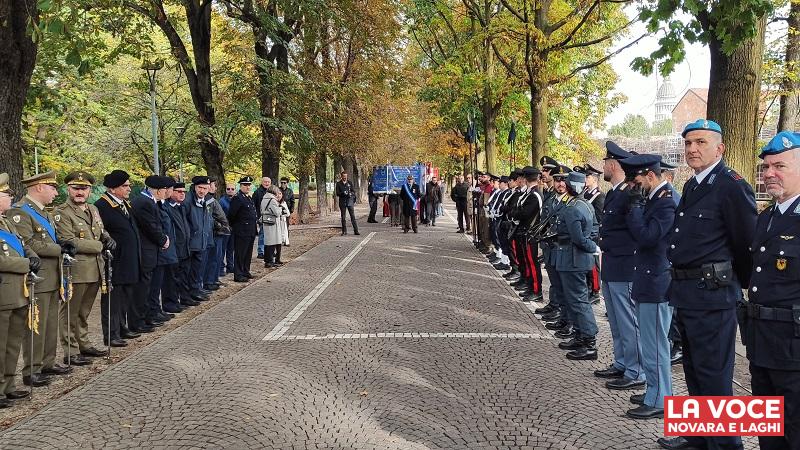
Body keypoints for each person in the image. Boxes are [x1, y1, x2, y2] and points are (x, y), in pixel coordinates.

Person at [657, 119, 756, 450]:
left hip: (713, 296)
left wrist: (734, 285)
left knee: (714, 377)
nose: (692, 149)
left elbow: (746, 244)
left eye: (700, 142)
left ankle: (726, 446)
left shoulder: (731, 186)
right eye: (688, 143)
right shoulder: (693, 185)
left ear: (720, 148)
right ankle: (699, 437)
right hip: (686, 294)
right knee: (694, 372)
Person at [742, 131, 800, 450]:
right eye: (766, 167)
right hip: (761, 342)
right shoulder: (766, 217)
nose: (769, 173)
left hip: (794, 348)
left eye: (779, 166)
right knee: (768, 430)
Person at [619, 155, 676, 420]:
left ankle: (661, 399)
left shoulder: (665, 202)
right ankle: (654, 391)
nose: (634, 185)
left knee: (655, 346)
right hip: (648, 279)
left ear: (650, 176)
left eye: (637, 180)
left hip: (656, 282)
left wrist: (634, 209)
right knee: (649, 342)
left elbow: (647, 237)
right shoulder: (655, 198)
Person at [9, 171, 72, 386]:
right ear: (39, 187)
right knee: (36, 325)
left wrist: (62, 243)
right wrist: (59, 248)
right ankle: (32, 369)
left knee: (50, 323)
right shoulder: (20, 212)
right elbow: (28, 243)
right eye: (52, 188)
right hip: (38, 276)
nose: (56, 192)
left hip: (53, 276)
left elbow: (49, 239)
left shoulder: (44, 212)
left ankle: (48, 362)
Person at [593, 141, 645, 392]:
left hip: (625, 265)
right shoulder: (615, 193)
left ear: (613, 165)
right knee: (615, 320)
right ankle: (622, 362)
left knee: (628, 322)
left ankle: (636, 370)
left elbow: (635, 230)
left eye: (605, 162)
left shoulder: (628, 193)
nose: (603, 167)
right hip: (612, 264)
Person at [54, 171, 114, 366]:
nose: (80, 192)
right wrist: (100, 245)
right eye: (76, 188)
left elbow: (99, 229)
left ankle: (84, 344)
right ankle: (70, 351)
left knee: (84, 311)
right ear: (68, 189)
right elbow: (68, 240)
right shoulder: (61, 212)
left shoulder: (93, 209)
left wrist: (107, 237)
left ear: (89, 190)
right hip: (76, 270)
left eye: (84, 188)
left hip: (95, 268)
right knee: (70, 312)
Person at [551, 171, 599, 360]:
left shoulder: (572, 208)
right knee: (575, 300)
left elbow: (578, 238)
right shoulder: (584, 204)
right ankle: (580, 336)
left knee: (578, 301)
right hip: (575, 259)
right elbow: (594, 228)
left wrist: (593, 247)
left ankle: (589, 342)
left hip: (572, 259)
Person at [95, 170, 145, 345]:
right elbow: (100, 231)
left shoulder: (124, 204)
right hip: (115, 260)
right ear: (113, 188)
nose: (129, 189)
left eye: (129, 185)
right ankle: (111, 334)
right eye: (125, 186)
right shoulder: (102, 206)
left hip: (129, 259)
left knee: (125, 296)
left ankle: (122, 328)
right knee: (113, 299)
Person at [0, 172, 38, 405]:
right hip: (3, 292)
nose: (11, 197)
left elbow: (23, 245)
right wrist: (26, 263)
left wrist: (32, 256)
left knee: (13, 342)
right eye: (6, 194)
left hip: (18, 291)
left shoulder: (6, 222)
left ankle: (8, 385)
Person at [131, 175, 173, 329]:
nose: (166, 192)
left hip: (150, 250)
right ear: (158, 190)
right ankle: (140, 320)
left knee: (149, 286)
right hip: (146, 250)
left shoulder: (148, 201)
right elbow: (151, 226)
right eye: (165, 190)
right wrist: (163, 240)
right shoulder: (144, 203)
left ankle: (147, 316)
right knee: (143, 288)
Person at [162, 182, 199, 313]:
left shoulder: (182, 206)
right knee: (171, 278)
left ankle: (184, 297)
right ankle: (170, 303)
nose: (182, 194)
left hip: (185, 248)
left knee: (183, 275)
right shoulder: (166, 207)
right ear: (171, 192)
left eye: (184, 192)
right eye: (179, 191)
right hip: (174, 249)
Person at [577, 164, 605, 303]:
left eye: (587, 176)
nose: (585, 179)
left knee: (593, 264)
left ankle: (595, 291)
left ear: (594, 178)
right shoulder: (585, 194)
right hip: (584, 234)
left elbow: (598, 219)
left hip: (593, 235)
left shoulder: (599, 196)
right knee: (586, 262)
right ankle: (588, 287)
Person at [186, 176, 215, 298]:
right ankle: (190, 292)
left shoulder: (204, 201)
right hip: (191, 242)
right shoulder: (188, 201)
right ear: (194, 187)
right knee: (189, 270)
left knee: (197, 268)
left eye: (205, 188)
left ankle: (196, 289)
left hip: (201, 241)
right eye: (200, 187)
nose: (202, 191)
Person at [227, 176, 257, 282]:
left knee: (248, 253)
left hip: (250, 230)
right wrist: (237, 226)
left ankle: (245, 271)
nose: (247, 187)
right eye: (245, 185)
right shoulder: (238, 198)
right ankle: (238, 274)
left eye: (249, 185)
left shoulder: (248, 198)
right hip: (241, 230)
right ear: (240, 186)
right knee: (240, 253)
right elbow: (231, 215)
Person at [203, 179, 231, 291]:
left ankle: (214, 279)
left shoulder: (212, 199)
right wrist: (219, 225)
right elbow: (209, 217)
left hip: (219, 232)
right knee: (213, 258)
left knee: (218, 257)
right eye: (214, 185)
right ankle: (209, 281)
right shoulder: (208, 200)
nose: (216, 187)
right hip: (215, 233)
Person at [261, 185, 284, 267]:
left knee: (268, 242)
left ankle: (268, 261)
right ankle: (269, 261)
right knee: (272, 242)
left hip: (266, 221)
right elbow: (277, 213)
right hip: (273, 223)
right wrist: (280, 208)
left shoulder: (264, 198)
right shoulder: (272, 200)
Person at [219, 182, 236, 276]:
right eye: (228, 189)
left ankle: (230, 266)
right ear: (226, 190)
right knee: (222, 249)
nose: (230, 191)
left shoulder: (236, 200)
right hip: (225, 228)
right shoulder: (222, 201)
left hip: (233, 228)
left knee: (231, 248)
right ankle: (221, 268)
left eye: (232, 189)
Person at [252, 177, 272, 258]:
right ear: (262, 182)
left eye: (268, 182)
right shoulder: (257, 192)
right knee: (262, 234)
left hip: (270, 217)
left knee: (270, 235)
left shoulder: (271, 192)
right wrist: (256, 217)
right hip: (261, 217)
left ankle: (269, 251)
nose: (267, 183)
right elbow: (253, 205)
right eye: (265, 182)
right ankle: (261, 251)